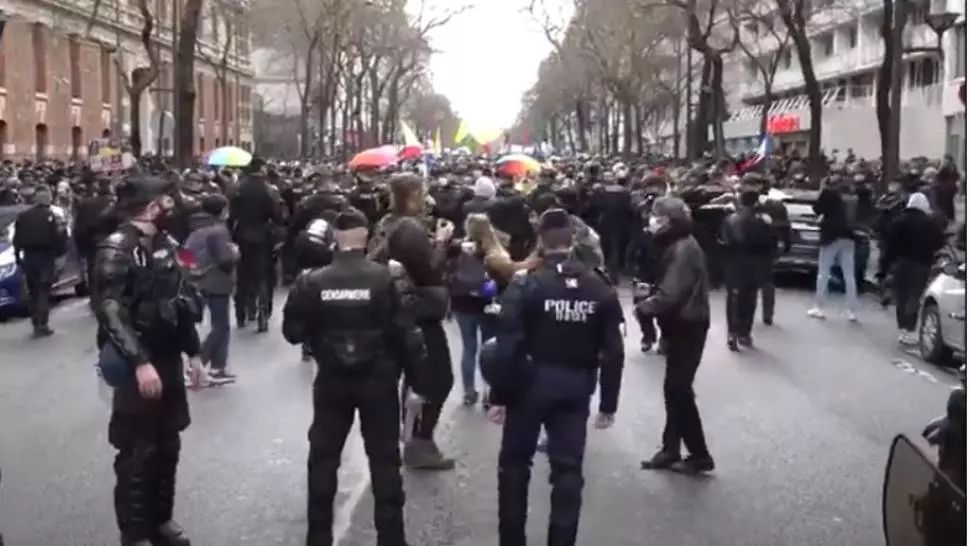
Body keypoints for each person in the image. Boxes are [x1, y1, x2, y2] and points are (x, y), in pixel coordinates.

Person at [282, 208, 427, 546]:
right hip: (379, 381)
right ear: (367, 238)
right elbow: (409, 335)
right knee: (385, 460)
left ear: (335, 237)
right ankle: (391, 538)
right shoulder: (389, 277)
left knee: (323, 458)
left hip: (332, 381)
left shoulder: (312, 280)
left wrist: (319, 336)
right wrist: (418, 382)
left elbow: (292, 331)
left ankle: (318, 537)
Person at [483, 208, 624, 546]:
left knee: (515, 465)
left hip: (528, 384)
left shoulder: (528, 283)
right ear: (573, 239)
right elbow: (613, 349)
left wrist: (499, 395)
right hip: (576, 386)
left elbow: (508, 344)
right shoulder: (598, 286)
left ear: (541, 242)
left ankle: (512, 539)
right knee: (568, 470)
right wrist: (608, 403)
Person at [92, 174, 204, 546]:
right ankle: (135, 532)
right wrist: (139, 362)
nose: (175, 205)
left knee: (168, 443)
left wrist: (195, 353)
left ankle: (161, 521)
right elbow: (110, 311)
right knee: (139, 451)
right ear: (151, 206)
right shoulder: (116, 248)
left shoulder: (170, 245)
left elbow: (184, 298)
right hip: (136, 362)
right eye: (167, 200)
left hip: (169, 356)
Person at [369, 173, 455, 470]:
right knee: (437, 378)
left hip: (396, 312)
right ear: (414, 195)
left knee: (415, 378)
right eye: (424, 193)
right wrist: (442, 244)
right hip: (418, 313)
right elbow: (428, 271)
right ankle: (419, 441)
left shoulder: (386, 224)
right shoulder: (409, 229)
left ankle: (408, 438)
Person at [637, 196, 714, 473]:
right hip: (681, 322)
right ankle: (671, 449)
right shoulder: (679, 245)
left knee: (678, 389)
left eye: (656, 216)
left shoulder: (682, 250)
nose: (652, 220)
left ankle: (699, 453)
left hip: (688, 323)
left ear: (668, 220)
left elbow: (672, 293)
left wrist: (646, 306)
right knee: (675, 389)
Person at [877, 192, 946, 346]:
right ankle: (910, 329)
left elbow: (889, 244)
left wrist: (884, 266)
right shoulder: (929, 223)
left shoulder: (899, 221)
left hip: (901, 262)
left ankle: (902, 329)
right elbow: (939, 242)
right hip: (922, 263)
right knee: (914, 296)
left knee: (901, 295)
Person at [184, 193, 240, 383]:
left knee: (220, 325)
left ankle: (218, 368)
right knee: (221, 327)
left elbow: (185, 253)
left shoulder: (195, 230)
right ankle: (197, 365)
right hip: (217, 281)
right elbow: (225, 259)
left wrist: (194, 269)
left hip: (199, 281)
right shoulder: (219, 231)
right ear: (223, 210)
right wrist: (234, 253)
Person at [719, 185, 776, 351]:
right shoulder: (763, 221)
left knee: (733, 298)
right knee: (750, 299)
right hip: (755, 264)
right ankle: (745, 332)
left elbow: (723, 242)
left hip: (734, 264)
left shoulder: (730, 219)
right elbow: (771, 244)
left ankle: (732, 332)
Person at [228, 163, 283, 332]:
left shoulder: (237, 189)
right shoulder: (269, 191)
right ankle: (263, 312)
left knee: (243, 275)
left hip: (242, 235)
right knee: (263, 277)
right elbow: (277, 216)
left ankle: (241, 312)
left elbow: (231, 217)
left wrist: (231, 236)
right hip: (263, 237)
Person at [13, 185, 67, 337]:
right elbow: (58, 238)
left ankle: (36, 322)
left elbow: (17, 239)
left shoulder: (23, 216)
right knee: (44, 291)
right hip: (45, 257)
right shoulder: (51, 216)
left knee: (33, 291)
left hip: (29, 257)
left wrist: (18, 257)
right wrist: (60, 255)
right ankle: (42, 324)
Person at [808, 175, 860, 321]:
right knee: (849, 275)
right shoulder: (852, 197)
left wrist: (821, 190)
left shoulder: (828, 193)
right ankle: (851, 310)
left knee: (823, 272)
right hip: (849, 236)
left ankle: (819, 307)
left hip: (830, 236)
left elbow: (817, 209)